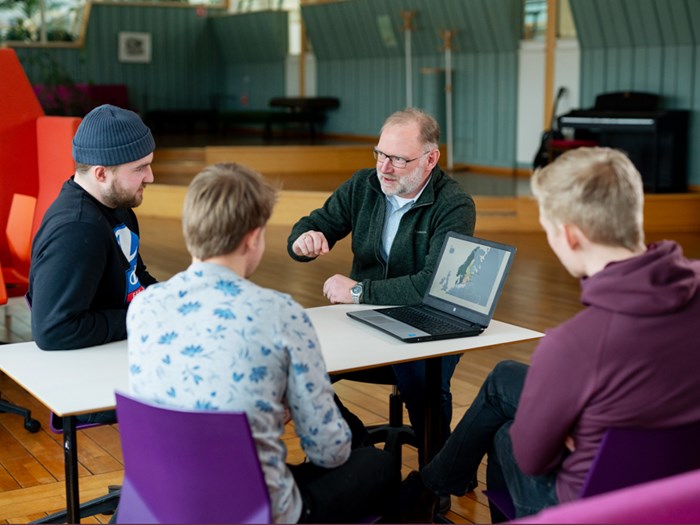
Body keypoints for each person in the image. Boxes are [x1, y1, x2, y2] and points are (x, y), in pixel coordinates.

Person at [400, 147, 700, 522]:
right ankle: (432, 486)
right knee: (504, 377)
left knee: (506, 435)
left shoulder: (575, 344)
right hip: (684, 489)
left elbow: (531, 457)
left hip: (594, 508)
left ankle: (427, 490)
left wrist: (575, 430)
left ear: (570, 236)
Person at [127, 163, 398, 524]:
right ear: (252, 238)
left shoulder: (144, 306)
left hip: (164, 501)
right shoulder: (279, 314)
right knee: (378, 464)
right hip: (255, 509)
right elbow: (329, 451)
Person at [287, 107, 476, 457]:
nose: (384, 168)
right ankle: (357, 451)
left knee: (420, 379)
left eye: (399, 160)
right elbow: (313, 223)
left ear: (430, 159)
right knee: (299, 365)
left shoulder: (454, 204)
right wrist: (303, 240)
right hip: (364, 317)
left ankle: (438, 477)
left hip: (428, 319)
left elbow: (432, 286)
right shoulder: (364, 185)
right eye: (380, 154)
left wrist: (358, 291)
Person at [28, 104, 157, 351]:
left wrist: (174, 300)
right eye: (139, 168)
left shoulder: (117, 205)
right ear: (100, 174)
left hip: (117, 347)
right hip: (86, 365)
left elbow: (135, 276)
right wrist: (143, 319)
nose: (150, 177)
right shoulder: (77, 230)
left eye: (149, 164)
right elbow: (53, 330)